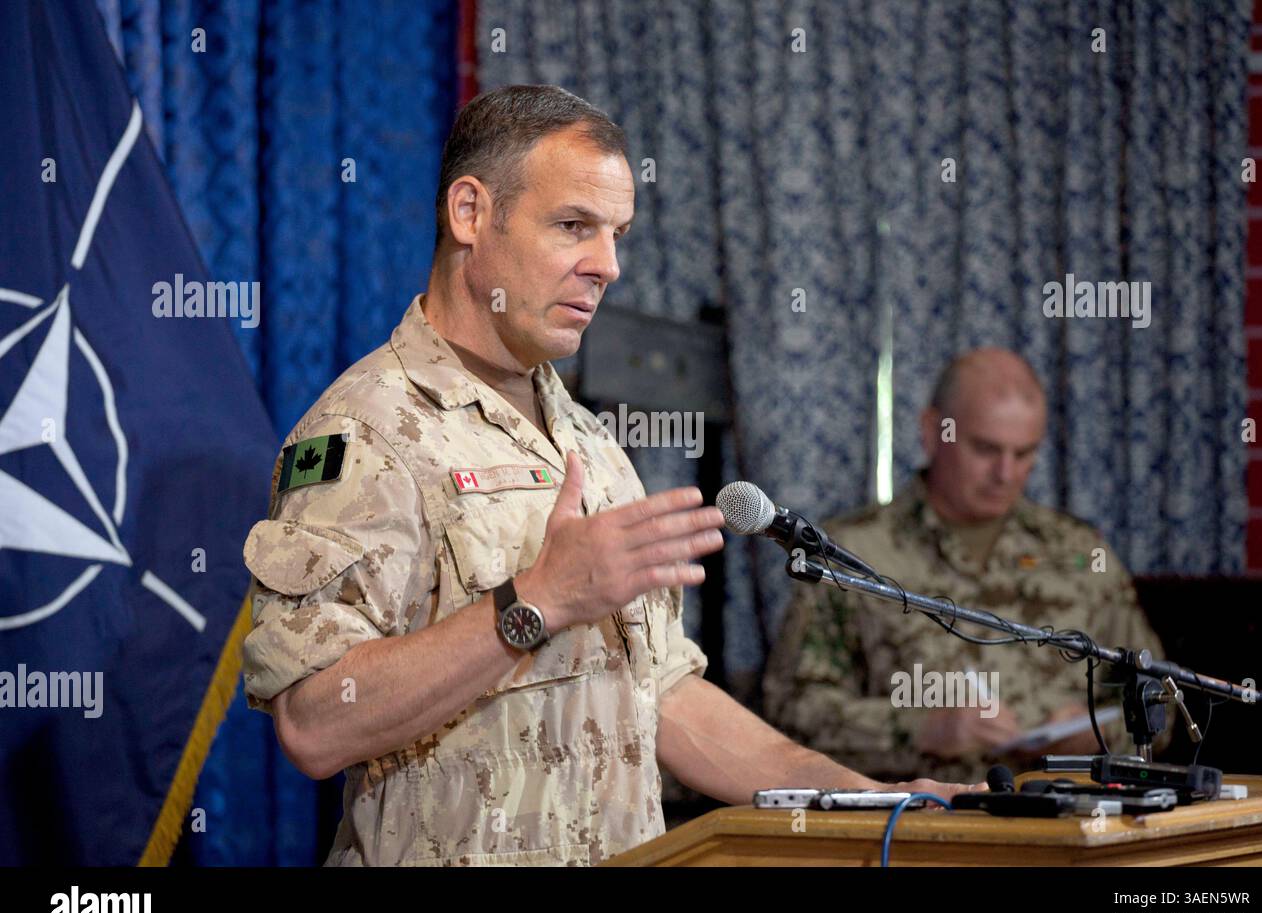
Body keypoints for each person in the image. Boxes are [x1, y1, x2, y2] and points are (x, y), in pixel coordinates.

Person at [241, 85, 976, 867]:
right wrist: (536, 602)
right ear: (469, 213)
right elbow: (315, 724)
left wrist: (875, 801)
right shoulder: (365, 430)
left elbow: (663, 697)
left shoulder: (591, 445)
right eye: (572, 227)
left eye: (617, 234)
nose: (609, 266)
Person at [764, 349, 1171, 784]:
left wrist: (1101, 732)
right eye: (985, 449)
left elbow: (1158, 700)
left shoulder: (1080, 553)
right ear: (932, 430)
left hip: (1061, 819)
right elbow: (790, 712)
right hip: (914, 822)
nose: (1006, 473)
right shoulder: (850, 555)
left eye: (1024, 453)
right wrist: (918, 730)